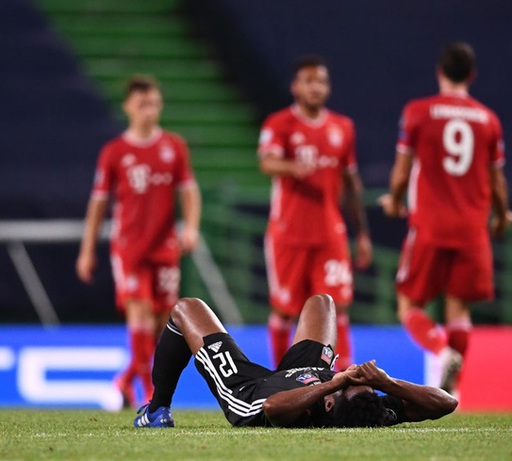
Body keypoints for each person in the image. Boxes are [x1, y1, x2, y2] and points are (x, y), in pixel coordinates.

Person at [379, 42, 512, 396]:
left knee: (407, 304)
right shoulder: (488, 119)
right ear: (471, 75)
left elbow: (401, 172)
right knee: (459, 307)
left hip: (429, 225)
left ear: (439, 71)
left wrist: (394, 202)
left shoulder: (418, 112)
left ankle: (442, 350)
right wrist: (501, 216)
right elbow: (497, 181)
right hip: (472, 229)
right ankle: (453, 390)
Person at [134, 293, 457, 428]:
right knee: (323, 302)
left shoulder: (312, 408)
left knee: (186, 309)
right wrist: (387, 383)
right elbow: (447, 403)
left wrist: (335, 380)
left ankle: (157, 410)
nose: (355, 376)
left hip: (250, 392)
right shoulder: (371, 410)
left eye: (352, 383)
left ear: (329, 404)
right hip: (305, 374)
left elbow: (273, 407)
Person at [76, 75, 202, 408]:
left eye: (155, 104)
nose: (149, 110)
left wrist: (190, 228)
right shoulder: (115, 152)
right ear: (128, 107)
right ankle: (150, 393)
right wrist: (87, 249)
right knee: (140, 315)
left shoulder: (174, 147)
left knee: (161, 326)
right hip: (130, 249)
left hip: (165, 249)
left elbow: (189, 193)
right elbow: (98, 203)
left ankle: (125, 380)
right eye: (143, 104)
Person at [257, 55, 372, 370]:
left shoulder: (342, 128)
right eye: (309, 81)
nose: (316, 87)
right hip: (288, 234)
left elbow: (351, 184)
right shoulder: (279, 124)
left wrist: (362, 233)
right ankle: (280, 378)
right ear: (296, 86)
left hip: (329, 233)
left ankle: (345, 378)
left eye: (321, 81)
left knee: (338, 307)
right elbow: (266, 162)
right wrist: (294, 166)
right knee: (285, 310)